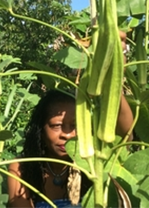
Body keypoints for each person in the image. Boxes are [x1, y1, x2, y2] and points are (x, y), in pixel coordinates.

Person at [7, 31, 134, 208]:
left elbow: (125, 134)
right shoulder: (22, 168)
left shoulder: (93, 162)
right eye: (57, 126)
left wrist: (115, 76)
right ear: (41, 131)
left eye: (75, 126)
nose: (67, 135)